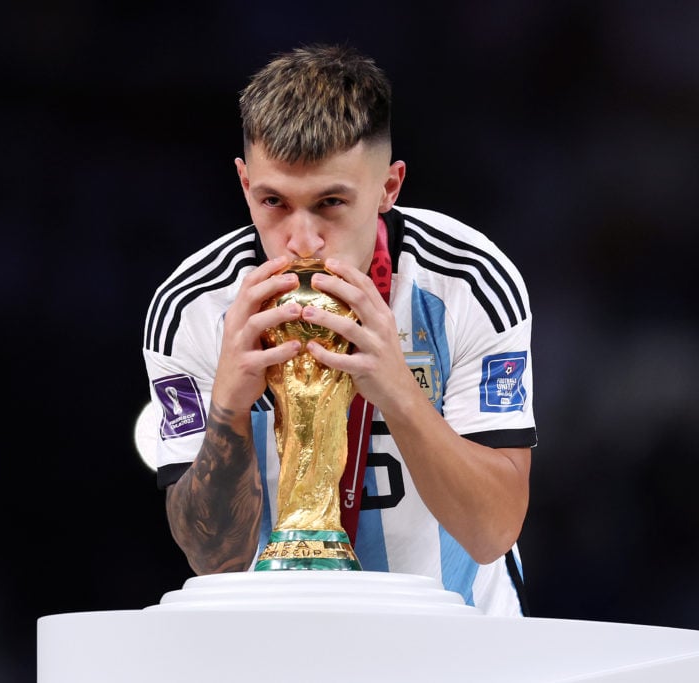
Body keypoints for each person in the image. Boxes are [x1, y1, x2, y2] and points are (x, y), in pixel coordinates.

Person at [140, 44, 536, 616]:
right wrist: (228, 402)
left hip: (458, 646)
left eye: (330, 203)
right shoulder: (194, 309)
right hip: (286, 646)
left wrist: (399, 393)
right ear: (243, 182)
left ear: (389, 188)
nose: (302, 240)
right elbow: (212, 560)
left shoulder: (468, 284)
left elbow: (493, 532)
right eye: (273, 201)